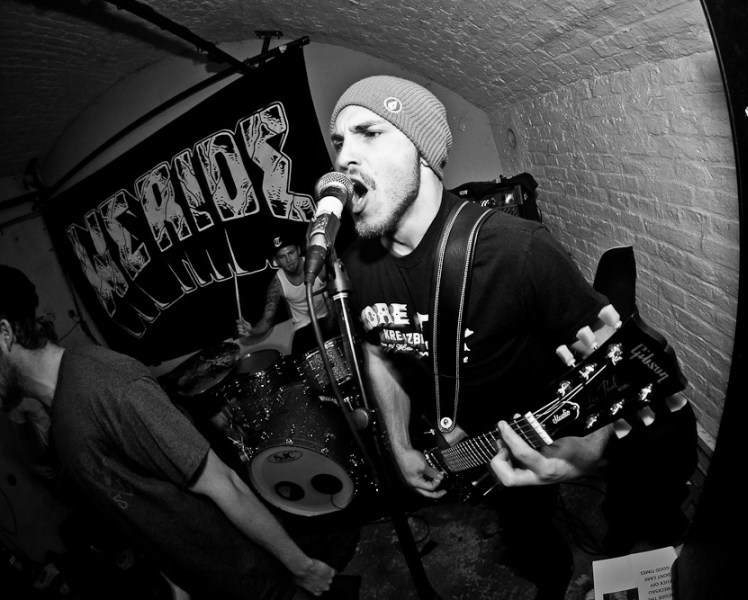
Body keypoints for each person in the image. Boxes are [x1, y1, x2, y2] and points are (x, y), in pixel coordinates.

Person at [330, 75, 628, 600]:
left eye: (370, 133)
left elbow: (615, 359)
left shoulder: (517, 250)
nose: (344, 158)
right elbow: (379, 350)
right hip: (455, 444)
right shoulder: (354, 262)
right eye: (338, 142)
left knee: (532, 537)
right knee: (511, 523)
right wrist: (400, 446)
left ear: (424, 154)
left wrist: (587, 450)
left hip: (527, 441)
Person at [0, 264, 337, 600]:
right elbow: (137, 512)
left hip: (256, 582)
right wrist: (177, 586)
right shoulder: (59, 418)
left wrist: (302, 567)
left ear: (4, 333)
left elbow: (224, 484)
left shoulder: (105, 384)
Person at [236, 227, 336, 356]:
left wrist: (333, 320)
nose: (288, 260)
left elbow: (337, 297)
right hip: (303, 328)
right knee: (297, 358)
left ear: (298, 250)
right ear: (276, 261)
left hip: (327, 318)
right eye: (282, 257)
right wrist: (252, 331)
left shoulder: (317, 266)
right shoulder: (277, 284)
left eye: (291, 253)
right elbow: (267, 320)